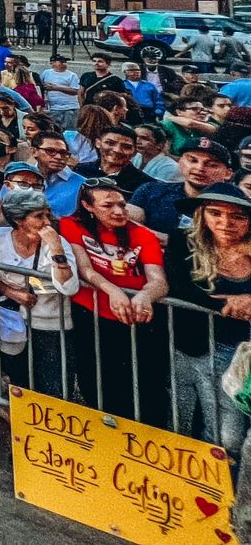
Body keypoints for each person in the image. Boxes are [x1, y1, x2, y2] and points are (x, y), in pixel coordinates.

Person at [61, 179, 170, 426]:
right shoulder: (72, 225)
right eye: (108, 206)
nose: (119, 211)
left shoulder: (142, 234)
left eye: (121, 204)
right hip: (93, 313)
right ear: (88, 206)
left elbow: (159, 280)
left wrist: (144, 295)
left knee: (149, 385)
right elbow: (85, 268)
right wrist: (112, 290)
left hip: (138, 317)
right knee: (96, 380)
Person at [165, 182, 251, 451]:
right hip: (202, 347)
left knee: (233, 435)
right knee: (222, 434)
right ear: (203, 214)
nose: (226, 222)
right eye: (216, 213)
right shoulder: (183, 242)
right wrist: (228, 302)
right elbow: (179, 287)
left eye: (238, 216)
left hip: (245, 350)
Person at [0, 189, 79, 398]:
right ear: (18, 219)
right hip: (13, 321)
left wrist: (56, 249)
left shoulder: (58, 244)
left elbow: (69, 287)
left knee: (54, 387)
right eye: (39, 216)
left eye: (47, 215)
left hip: (52, 324)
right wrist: (9, 291)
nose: (47, 222)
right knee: (20, 380)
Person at [130, 137, 236, 244]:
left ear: (228, 173)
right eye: (192, 160)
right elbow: (130, 225)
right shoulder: (151, 190)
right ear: (180, 163)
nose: (199, 168)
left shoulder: (234, 206)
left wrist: (171, 241)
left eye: (211, 165)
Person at [72, 123, 147, 195]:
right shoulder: (80, 170)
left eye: (126, 147)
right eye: (110, 143)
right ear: (98, 143)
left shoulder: (144, 184)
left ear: (135, 151)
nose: (117, 150)